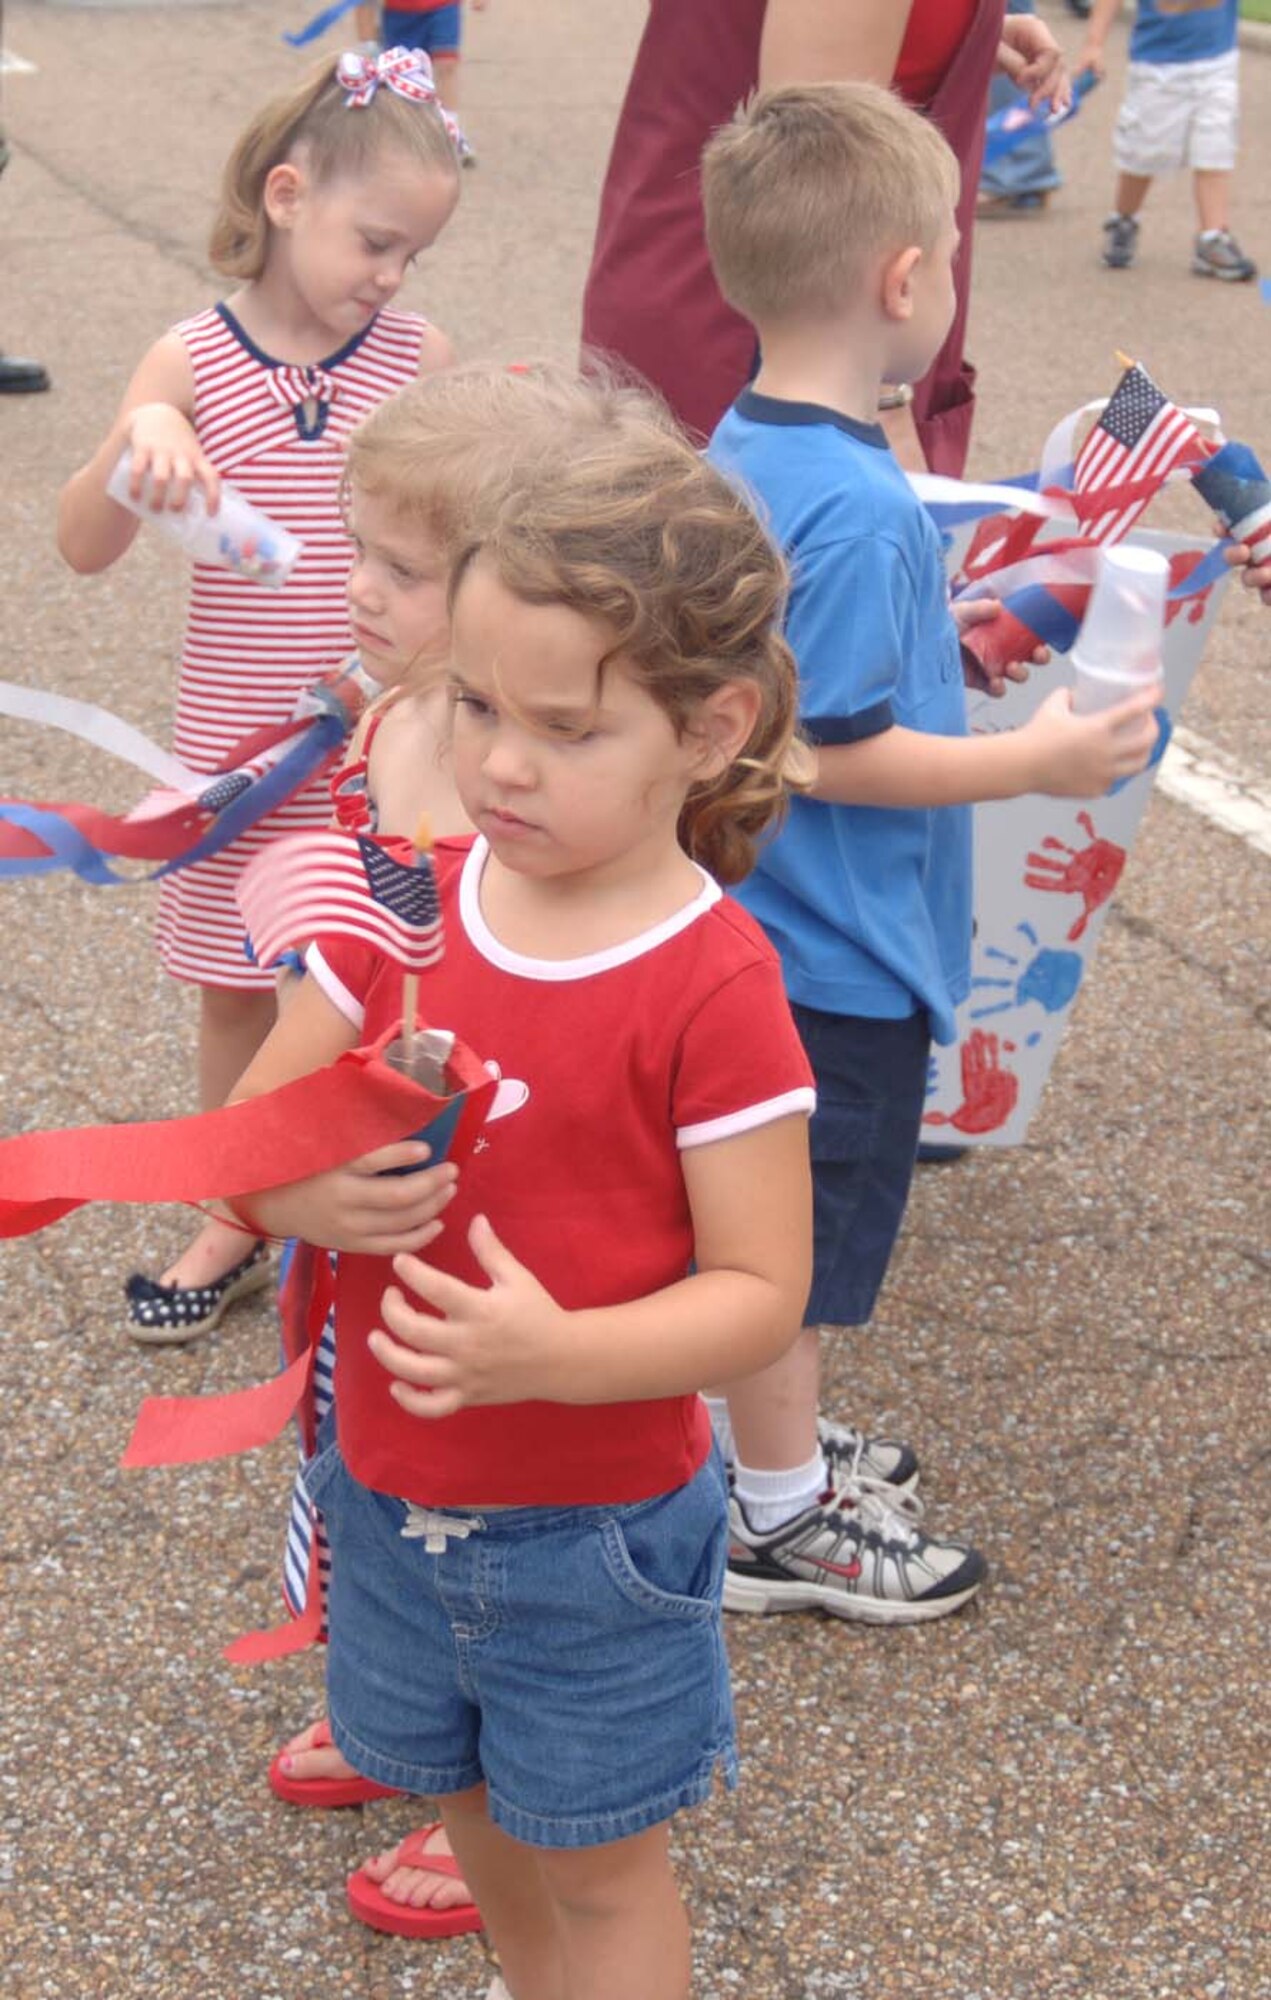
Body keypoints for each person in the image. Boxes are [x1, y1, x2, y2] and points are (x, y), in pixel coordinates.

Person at [225, 403, 816, 2000]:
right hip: (392, 1494)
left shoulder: (711, 985)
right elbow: (246, 1139)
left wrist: (554, 1352)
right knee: (475, 1811)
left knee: (606, 1869)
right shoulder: (413, 899)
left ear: (707, 730)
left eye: (564, 728)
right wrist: (298, 1191)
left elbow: (760, 1293)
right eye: (476, 704)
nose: (496, 761)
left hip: (591, 1538)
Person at [700, 83, 1162, 1623]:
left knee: (761, 1240)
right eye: (949, 253)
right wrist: (1030, 760)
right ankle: (774, 1518)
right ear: (904, 282)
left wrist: (942, 645)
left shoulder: (746, 447)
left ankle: (757, 1450)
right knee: (794, 1261)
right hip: (829, 956)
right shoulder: (854, 506)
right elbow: (820, 744)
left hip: (763, 934)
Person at [269, 361, 683, 1944]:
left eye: (397, 568)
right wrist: (280, 1182)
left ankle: (516, 1786)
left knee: (522, 1531)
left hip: (515, 1240)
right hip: (372, 1206)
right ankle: (403, 1720)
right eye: (354, 550)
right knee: (346, 1450)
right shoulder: (390, 718)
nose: (356, 589)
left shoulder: (543, 804)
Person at [55, 49, 462, 1340]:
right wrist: (140, 441)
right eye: (374, 241)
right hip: (236, 760)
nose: (389, 277)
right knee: (235, 994)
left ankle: (333, 1189)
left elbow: (465, 525)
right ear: (286, 195)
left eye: (411, 254)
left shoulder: (414, 353)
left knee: (364, 987)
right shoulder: (188, 358)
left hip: (382, 744)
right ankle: (236, 1205)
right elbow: (81, 546)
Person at [580, 0, 1067, 476]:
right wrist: (880, 406)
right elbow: (818, 174)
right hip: (781, 330)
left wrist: (962, 34)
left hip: (729, 290)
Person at [1080, 0, 1256, 280]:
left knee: (1215, 146)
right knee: (1143, 154)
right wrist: (1094, 43)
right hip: (1158, 67)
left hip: (1218, 62)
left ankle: (1212, 236)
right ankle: (1123, 220)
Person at [353, 0, 485, 161]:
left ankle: (450, 134)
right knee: (404, 76)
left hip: (444, 6)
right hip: (399, 13)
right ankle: (403, 136)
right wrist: (368, 43)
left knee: (446, 65)